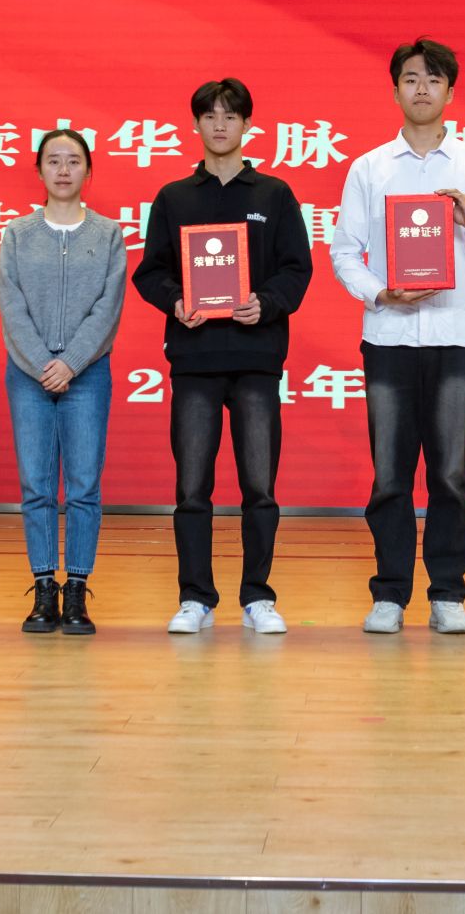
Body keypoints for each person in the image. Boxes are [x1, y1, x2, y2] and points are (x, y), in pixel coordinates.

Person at [330, 38, 465, 635]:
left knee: (449, 475)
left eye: (433, 79)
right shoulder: (369, 168)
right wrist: (381, 293)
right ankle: (390, 593)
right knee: (390, 474)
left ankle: (447, 593)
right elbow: (344, 253)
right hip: (388, 337)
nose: (422, 88)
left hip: (456, 338)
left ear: (450, 92)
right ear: (395, 90)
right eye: (411, 78)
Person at [132, 78, 314, 635]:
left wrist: (267, 303)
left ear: (247, 125)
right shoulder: (174, 197)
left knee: (259, 487)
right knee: (192, 489)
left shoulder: (274, 195)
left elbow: (297, 268)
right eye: (209, 115)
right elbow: (150, 271)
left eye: (230, 116)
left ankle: (258, 597)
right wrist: (176, 300)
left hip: (257, 358)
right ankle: (196, 598)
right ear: (195, 125)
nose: (219, 125)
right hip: (195, 360)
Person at [0, 129, 128, 637]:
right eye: (53, 161)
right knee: (36, 484)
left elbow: (108, 308)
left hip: (88, 374)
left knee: (83, 485)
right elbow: (11, 306)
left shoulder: (108, 234)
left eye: (73, 160)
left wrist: (70, 362)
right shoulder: (17, 234)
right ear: (39, 171)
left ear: (88, 171)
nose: (64, 170)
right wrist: (41, 364)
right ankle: (43, 588)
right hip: (27, 375)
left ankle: (76, 587)